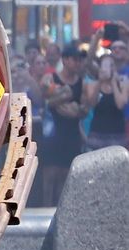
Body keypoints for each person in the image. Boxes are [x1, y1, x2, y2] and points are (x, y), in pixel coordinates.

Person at [34, 44, 92, 207]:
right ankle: (45, 212)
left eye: (79, 60)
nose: (78, 63)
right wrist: (63, 97)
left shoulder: (81, 83)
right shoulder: (51, 78)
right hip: (53, 134)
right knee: (49, 178)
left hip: (72, 135)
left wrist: (73, 108)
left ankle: (62, 213)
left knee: (66, 182)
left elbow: (84, 109)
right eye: (75, 59)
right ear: (65, 60)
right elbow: (44, 99)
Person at [85, 53, 129, 151]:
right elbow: (92, 103)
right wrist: (100, 81)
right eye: (105, 65)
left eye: (112, 65)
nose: (109, 68)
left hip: (117, 135)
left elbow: (120, 105)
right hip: (97, 134)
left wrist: (114, 83)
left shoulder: (123, 84)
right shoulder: (92, 85)